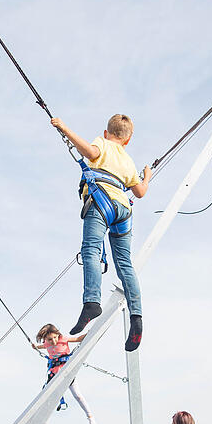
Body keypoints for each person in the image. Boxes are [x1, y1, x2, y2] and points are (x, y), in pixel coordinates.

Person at [50, 115, 151, 352]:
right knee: (125, 264)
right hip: (123, 211)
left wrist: (65, 128)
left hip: (100, 202)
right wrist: (147, 176)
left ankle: (91, 302)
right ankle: (137, 317)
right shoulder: (128, 160)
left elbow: (89, 151)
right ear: (128, 140)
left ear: (107, 133)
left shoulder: (103, 144)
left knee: (92, 250)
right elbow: (140, 192)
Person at [32, 324, 96, 424]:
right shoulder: (47, 343)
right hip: (54, 373)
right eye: (50, 339)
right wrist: (36, 347)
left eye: (55, 337)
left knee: (78, 396)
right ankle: (45, 421)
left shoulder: (63, 339)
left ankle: (90, 417)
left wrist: (89, 333)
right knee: (48, 397)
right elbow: (44, 346)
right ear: (45, 339)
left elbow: (77, 339)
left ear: (58, 334)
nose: (54, 341)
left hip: (66, 371)